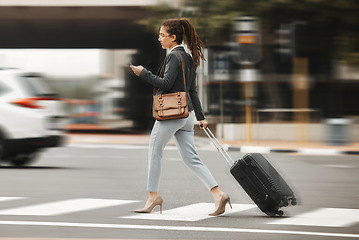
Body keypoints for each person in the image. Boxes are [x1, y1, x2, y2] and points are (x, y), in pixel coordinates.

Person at [130, 18, 231, 216]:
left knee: (154, 151)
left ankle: (152, 197)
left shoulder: (174, 57)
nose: (159, 38)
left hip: (172, 115)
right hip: (187, 115)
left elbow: (166, 84)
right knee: (191, 158)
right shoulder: (188, 57)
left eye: (162, 35)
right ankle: (218, 194)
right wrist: (200, 117)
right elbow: (192, 91)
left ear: (173, 37)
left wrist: (144, 73)